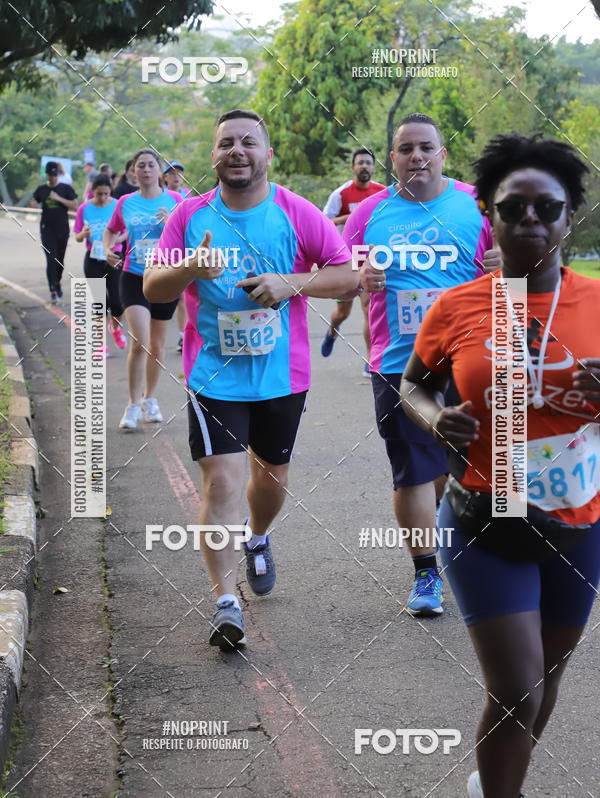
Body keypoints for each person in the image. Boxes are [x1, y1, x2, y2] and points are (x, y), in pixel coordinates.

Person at [400, 133, 600, 798]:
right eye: (513, 209)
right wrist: (435, 418)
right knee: (517, 688)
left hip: (581, 526)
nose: (531, 222)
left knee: (544, 686)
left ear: (572, 215)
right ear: (490, 214)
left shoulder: (598, 303)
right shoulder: (455, 307)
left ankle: (492, 779)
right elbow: (413, 385)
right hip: (488, 517)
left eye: (548, 208)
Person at [143, 109, 357, 650]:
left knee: (271, 480)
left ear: (267, 155)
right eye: (226, 143)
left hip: (283, 377)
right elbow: (152, 288)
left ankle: (257, 538)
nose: (237, 151)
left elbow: (348, 273)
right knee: (221, 483)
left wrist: (291, 283)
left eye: (248, 142)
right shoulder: (189, 216)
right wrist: (192, 267)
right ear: (213, 155)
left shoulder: (295, 211)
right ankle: (224, 602)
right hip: (213, 377)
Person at [349, 113, 494, 615]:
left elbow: (529, 268)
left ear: (442, 154)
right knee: (411, 471)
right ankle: (426, 573)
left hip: (474, 359)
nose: (416, 156)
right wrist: (361, 276)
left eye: (425, 147)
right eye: (406, 149)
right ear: (393, 159)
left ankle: (493, 557)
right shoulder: (368, 213)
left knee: (478, 469)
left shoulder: (479, 205)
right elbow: (348, 271)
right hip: (398, 364)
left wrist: (507, 269)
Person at [102, 149, 183, 429]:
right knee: (140, 342)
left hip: (165, 277)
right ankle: (132, 404)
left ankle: (151, 399)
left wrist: (172, 220)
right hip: (134, 276)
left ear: (159, 171)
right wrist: (107, 248)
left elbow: (192, 233)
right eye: (141, 166)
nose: (146, 170)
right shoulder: (125, 202)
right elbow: (110, 230)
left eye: (151, 165)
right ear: (133, 172)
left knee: (158, 346)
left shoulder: (175, 200)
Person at [321, 147, 385, 373]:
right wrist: (350, 218)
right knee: (343, 312)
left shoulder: (383, 192)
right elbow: (324, 223)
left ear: (374, 167)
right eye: (360, 163)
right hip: (346, 257)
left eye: (368, 163)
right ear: (353, 167)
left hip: (370, 255)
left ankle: (371, 361)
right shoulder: (341, 194)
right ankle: (332, 331)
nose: (365, 166)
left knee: (369, 307)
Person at [73, 174, 128, 356]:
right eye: (99, 194)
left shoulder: (118, 205)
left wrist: (115, 240)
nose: (103, 197)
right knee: (99, 302)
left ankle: (115, 328)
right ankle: (100, 344)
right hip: (93, 258)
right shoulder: (84, 208)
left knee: (118, 303)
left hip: (114, 256)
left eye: (106, 193)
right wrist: (84, 234)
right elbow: (77, 237)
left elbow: (127, 232)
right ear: (92, 192)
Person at [32, 161, 78, 303]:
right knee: (51, 259)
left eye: (55, 174)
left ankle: (57, 281)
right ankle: (52, 289)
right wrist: (36, 201)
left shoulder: (65, 188)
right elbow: (34, 202)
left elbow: (75, 205)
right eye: (50, 175)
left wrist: (58, 198)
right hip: (47, 229)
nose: (53, 177)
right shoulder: (42, 189)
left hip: (62, 229)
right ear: (47, 174)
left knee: (59, 260)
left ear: (58, 174)